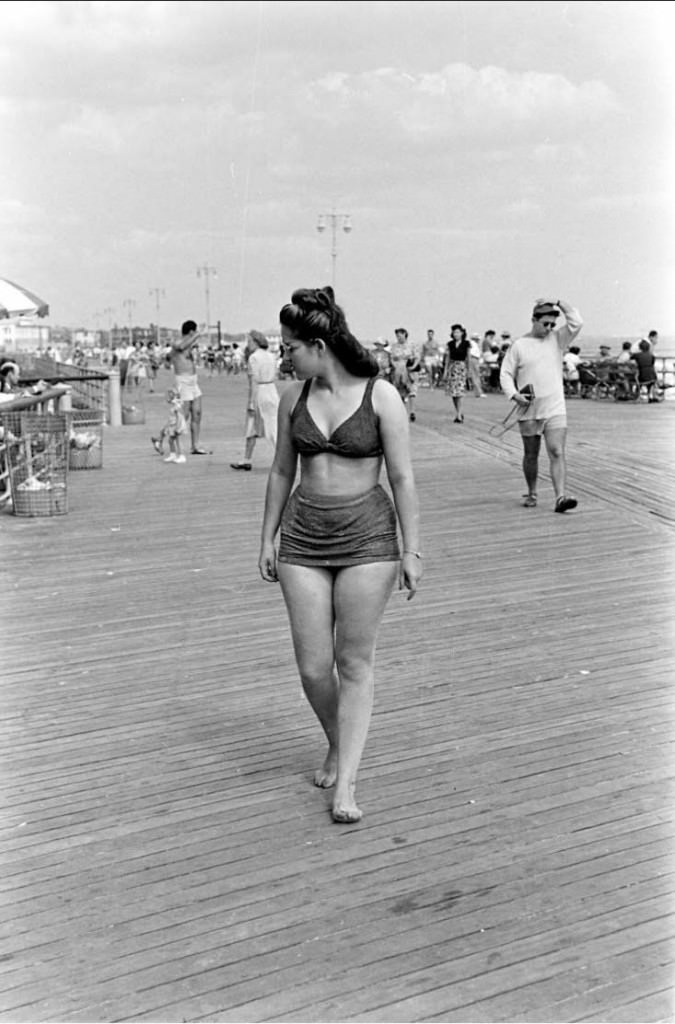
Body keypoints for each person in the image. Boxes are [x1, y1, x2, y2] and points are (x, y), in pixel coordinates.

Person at [258, 286, 421, 824]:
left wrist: (412, 550)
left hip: (368, 539)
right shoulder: (292, 398)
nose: (286, 356)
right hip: (304, 539)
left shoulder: (381, 397)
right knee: (311, 667)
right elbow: (282, 470)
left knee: (353, 661)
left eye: (291, 347)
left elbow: (401, 476)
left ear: (320, 344)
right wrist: (267, 537)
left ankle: (346, 783)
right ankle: (337, 739)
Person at [499, 298, 583, 513]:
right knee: (531, 454)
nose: (549, 328)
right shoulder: (519, 345)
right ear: (533, 320)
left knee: (557, 451)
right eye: (545, 323)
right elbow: (506, 374)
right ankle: (532, 491)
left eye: (552, 324)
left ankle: (560, 497)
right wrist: (514, 395)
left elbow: (576, 322)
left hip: (554, 406)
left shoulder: (557, 339)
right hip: (528, 408)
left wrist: (558, 302)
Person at [231, 330, 280, 470]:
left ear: (256, 342)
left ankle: (249, 458)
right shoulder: (272, 356)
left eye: (250, 341)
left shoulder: (254, 358)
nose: (248, 345)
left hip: (260, 391)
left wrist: (251, 402)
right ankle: (247, 458)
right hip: (272, 390)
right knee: (273, 426)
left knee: (254, 425)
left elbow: (253, 381)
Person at [169, 320, 208, 454]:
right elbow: (180, 347)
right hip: (182, 381)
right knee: (183, 415)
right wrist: (198, 335)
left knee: (197, 413)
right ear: (191, 332)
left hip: (193, 381)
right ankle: (164, 437)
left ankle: (195, 445)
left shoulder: (190, 346)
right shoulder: (178, 342)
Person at [389, 327, 420, 421]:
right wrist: (395, 366)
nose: (398, 337)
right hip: (398, 370)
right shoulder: (394, 346)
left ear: (405, 334)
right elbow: (391, 358)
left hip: (410, 370)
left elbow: (417, 357)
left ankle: (412, 411)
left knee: (412, 391)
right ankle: (402, 412)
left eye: (400, 335)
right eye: (397, 336)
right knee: (400, 392)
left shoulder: (412, 345)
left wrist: (413, 366)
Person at [442, 324, 471, 421]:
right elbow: (447, 358)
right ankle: (458, 411)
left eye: (458, 332)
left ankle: (459, 414)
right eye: (454, 332)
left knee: (459, 392)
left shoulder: (466, 343)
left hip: (462, 367)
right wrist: (445, 371)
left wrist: (469, 370)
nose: (456, 334)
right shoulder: (450, 344)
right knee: (453, 393)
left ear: (462, 333)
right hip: (452, 367)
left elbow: (468, 358)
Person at [152, 387, 187, 463]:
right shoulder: (174, 404)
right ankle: (173, 455)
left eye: (170, 395)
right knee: (170, 440)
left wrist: (178, 428)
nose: (168, 397)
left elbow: (180, 417)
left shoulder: (178, 405)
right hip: (172, 425)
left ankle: (182, 456)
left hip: (177, 426)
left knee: (178, 440)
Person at [466, 333, 484, 397]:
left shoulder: (473, 344)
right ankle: (478, 392)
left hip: (474, 359)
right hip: (473, 359)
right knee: (475, 376)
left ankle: (478, 392)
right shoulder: (472, 344)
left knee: (476, 376)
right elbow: (471, 353)